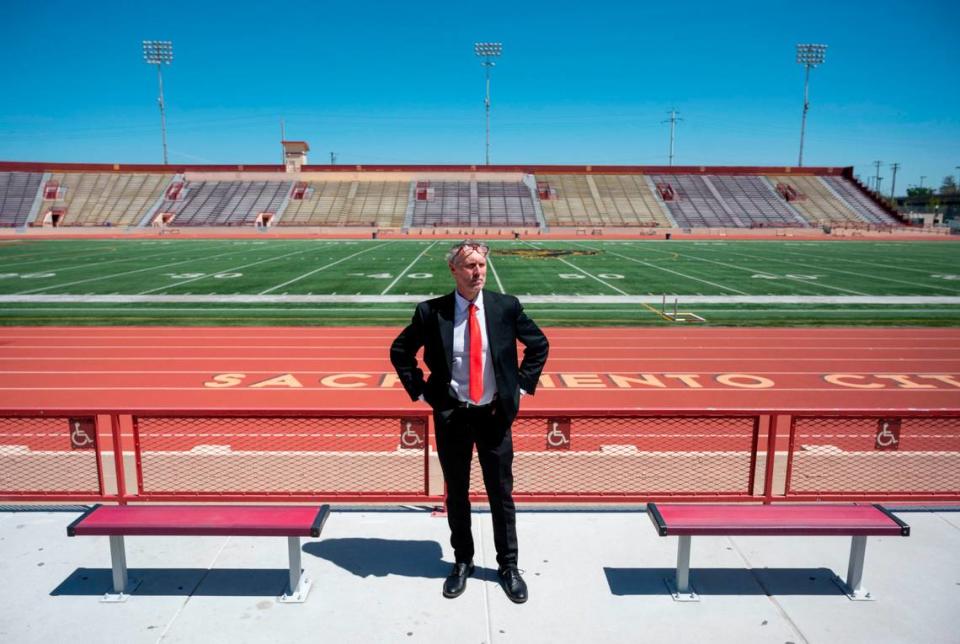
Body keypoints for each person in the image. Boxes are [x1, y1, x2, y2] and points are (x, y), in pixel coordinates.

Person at [390, 239, 549, 603]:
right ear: (453, 270)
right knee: (457, 494)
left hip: (494, 416)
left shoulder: (505, 307)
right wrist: (422, 393)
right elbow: (400, 352)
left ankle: (508, 566)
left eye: (481, 265)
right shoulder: (432, 312)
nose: (477, 272)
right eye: (469, 266)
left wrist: (520, 388)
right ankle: (462, 562)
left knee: (501, 495)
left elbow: (539, 345)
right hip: (454, 417)